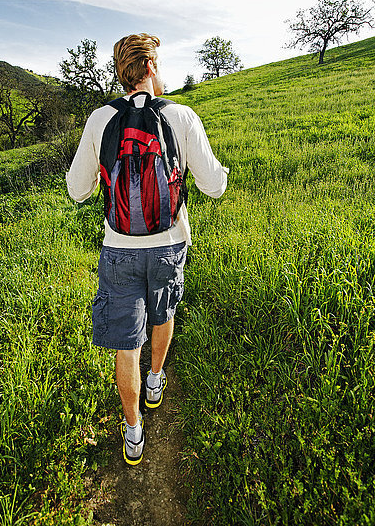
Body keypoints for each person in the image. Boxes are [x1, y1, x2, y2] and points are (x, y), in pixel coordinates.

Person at [66, 33, 228, 465]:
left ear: (120, 73)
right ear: (152, 68)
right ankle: (156, 379)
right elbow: (213, 186)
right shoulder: (182, 115)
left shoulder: (101, 119)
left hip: (118, 248)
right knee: (164, 313)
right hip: (169, 244)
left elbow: (77, 190)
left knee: (125, 343)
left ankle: (133, 431)